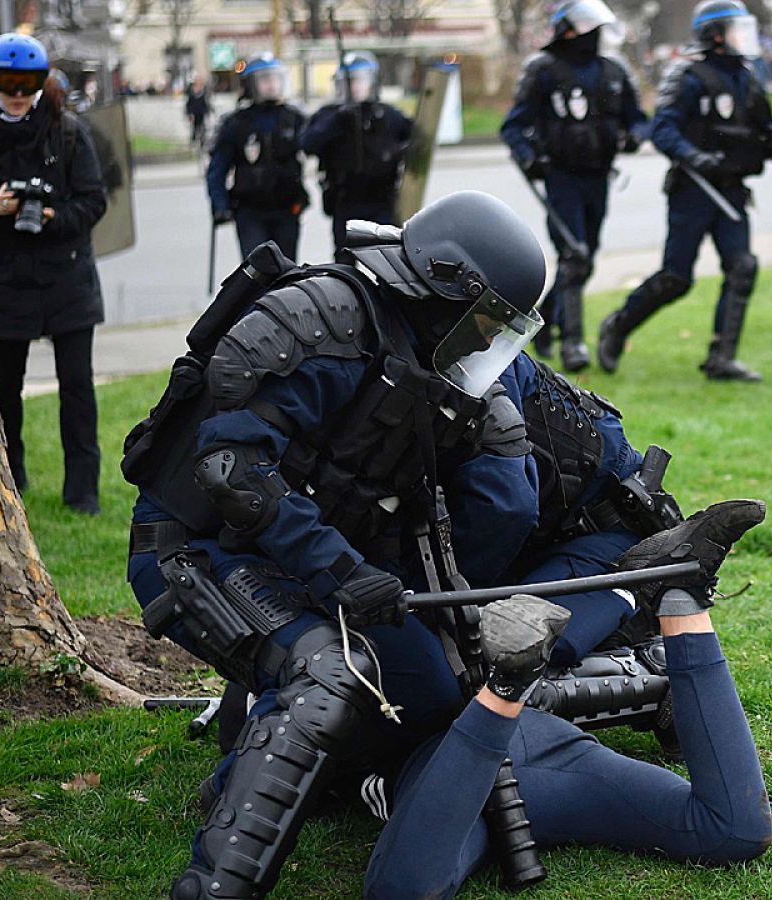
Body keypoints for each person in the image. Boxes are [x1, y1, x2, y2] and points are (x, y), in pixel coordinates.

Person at [123, 191, 554, 899]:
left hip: (296, 560)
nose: (483, 341)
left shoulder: (420, 352)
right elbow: (231, 471)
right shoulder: (322, 317)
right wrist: (343, 572)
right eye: (482, 320)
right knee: (334, 670)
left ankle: (248, 770)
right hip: (197, 550)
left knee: (430, 693)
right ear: (444, 282)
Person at [361, 501, 772, 899]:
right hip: (444, 755)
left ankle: (681, 594)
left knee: (736, 831)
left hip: (538, 745)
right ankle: (513, 677)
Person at [0, 33, 107, 513]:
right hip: (4, 280)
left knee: (78, 390)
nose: (18, 93)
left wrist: (52, 217)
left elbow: (93, 201)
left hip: (67, 278)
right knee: (4, 389)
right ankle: (11, 478)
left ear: (43, 83)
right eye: (8, 82)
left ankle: (83, 491)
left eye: (28, 82)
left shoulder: (67, 131)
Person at [596, 0, 772, 382]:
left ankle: (721, 358)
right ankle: (617, 325)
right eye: (735, 29)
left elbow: (761, 130)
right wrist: (694, 157)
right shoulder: (686, 74)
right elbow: (662, 129)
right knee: (676, 278)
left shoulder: (748, 77)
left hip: (731, 191)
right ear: (714, 35)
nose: (743, 38)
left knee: (742, 267)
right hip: (693, 190)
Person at [500, 0, 649, 372]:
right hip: (560, 176)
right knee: (575, 255)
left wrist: (633, 136)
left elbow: (640, 119)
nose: (593, 37)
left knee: (585, 257)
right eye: (586, 28)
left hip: (598, 175)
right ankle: (573, 343)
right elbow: (513, 126)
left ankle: (547, 319)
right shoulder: (543, 70)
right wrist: (529, 157)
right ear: (566, 30)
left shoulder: (614, 71)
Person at [301, 52, 414, 251]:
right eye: (350, 82)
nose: (355, 87)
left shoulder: (386, 114)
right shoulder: (329, 115)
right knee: (345, 259)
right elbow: (307, 144)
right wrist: (337, 121)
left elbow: (415, 137)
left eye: (361, 81)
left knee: (387, 257)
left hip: (382, 199)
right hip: (344, 199)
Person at [206, 54, 309, 259]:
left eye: (275, 78)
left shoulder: (294, 118)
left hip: (287, 207)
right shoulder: (237, 123)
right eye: (264, 80)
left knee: (287, 271)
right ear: (251, 85)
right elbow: (217, 169)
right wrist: (220, 205)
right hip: (250, 210)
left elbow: (316, 146)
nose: (272, 85)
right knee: (257, 269)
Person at [185, 75, 211, 148]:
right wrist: (189, 113)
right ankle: (193, 141)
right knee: (194, 128)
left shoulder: (204, 91)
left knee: (202, 127)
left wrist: (207, 111)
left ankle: (202, 141)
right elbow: (189, 104)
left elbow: (205, 103)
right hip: (194, 113)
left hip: (201, 112)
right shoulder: (191, 92)